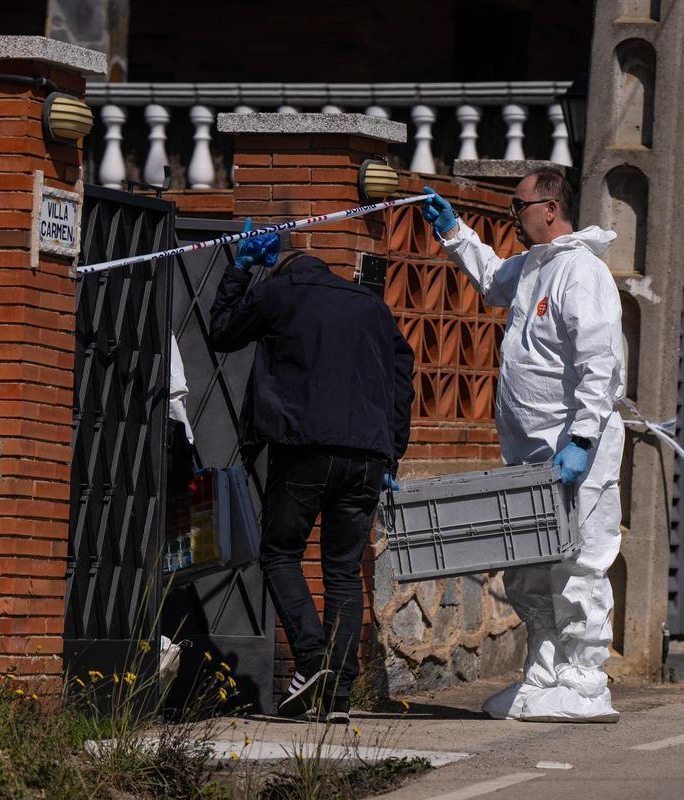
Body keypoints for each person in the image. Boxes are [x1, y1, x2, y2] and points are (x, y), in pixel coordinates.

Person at [421, 169, 625, 722]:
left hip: (575, 453)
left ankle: (585, 679)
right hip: (532, 457)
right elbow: (492, 280)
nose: (513, 216)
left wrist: (582, 438)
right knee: (530, 564)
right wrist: (455, 232)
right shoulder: (537, 267)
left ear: (551, 208)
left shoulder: (581, 273)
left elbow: (598, 365)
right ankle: (544, 670)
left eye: (518, 206)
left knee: (580, 563)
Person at [208, 221, 415, 724]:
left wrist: (238, 269)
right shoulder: (371, 306)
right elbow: (403, 373)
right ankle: (338, 697)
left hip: (305, 449)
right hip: (367, 457)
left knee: (280, 553)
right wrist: (392, 452)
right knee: (343, 570)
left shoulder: (281, 292)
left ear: (280, 265)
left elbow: (222, 332)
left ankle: (310, 659)